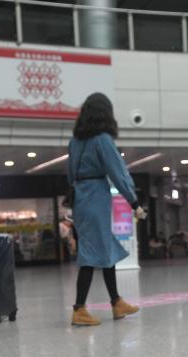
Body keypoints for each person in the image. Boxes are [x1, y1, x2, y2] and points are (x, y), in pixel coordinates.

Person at [66, 93, 146, 327]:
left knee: (105, 248)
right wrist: (134, 202)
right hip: (96, 198)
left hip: (81, 198)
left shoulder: (75, 142)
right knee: (90, 254)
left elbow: (70, 174)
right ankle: (79, 309)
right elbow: (117, 172)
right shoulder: (102, 139)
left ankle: (116, 302)